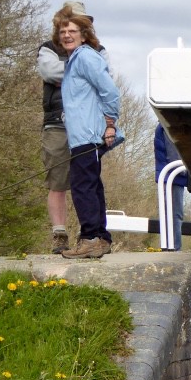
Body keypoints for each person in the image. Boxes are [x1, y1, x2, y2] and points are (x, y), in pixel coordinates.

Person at [37, 1, 108, 254]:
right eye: (65, 25)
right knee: (58, 181)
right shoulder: (47, 48)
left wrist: (72, 74)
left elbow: (105, 80)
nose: (68, 31)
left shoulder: (98, 50)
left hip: (87, 125)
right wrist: (81, 72)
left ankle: (93, 237)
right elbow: (48, 72)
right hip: (56, 122)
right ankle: (60, 234)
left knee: (88, 180)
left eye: (76, 23)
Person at [56, 14, 122, 259]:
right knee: (92, 185)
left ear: (84, 35)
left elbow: (110, 90)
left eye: (72, 31)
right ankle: (101, 238)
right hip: (80, 134)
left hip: (87, 135)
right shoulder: (74, 60)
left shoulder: (84, 57)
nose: (66, 35)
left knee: (82, 186)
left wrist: (110, 122)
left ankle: (91, 238)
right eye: (63, 32)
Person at [154, 122, 187, 250]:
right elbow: (174, 154)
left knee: (171, 213)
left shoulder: (164, 126)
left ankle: (170, 246)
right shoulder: (167, 127)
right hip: (172, 175)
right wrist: (186, 170)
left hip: (170, 174)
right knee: (175, 214)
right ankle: (173, 248)